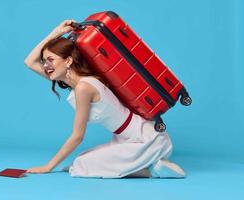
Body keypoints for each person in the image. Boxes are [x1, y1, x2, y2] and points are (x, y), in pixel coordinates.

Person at [23, 19, 186, 178]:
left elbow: (77, 136)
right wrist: (56, 32)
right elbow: (29, 62)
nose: (45, 66)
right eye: (44, 61)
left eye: (51, 60)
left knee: (81, 165)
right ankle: (146, 164)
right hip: (125, 138)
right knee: (81, 160)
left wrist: (48, 167)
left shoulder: (83, 87)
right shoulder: (78, 83)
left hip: (143, 139)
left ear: (68, 61)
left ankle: (153, 170)